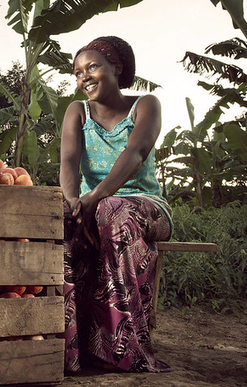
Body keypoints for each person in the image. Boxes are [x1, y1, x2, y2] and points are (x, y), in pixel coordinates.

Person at [59, 35, 173, 373]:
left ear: (116, 68)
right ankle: (71, 348)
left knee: (114, 211)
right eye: (78, 72)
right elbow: (68, 161)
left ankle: (124, 349)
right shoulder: (76, 112)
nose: (84, 77)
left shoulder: (146, 105)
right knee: (57, 216)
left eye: (92, 67)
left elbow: (135, 154)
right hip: (93, 209)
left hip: (144, 206)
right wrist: (75, 205)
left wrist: (95, 198)